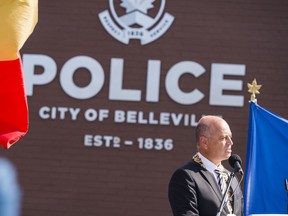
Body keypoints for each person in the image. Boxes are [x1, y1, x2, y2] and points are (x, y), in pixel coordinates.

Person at [168, 115, 243, 216]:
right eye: (224, 138)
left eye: (230, 137)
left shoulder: (232, 178)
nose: (230, 142)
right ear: (204, 142)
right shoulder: (186, 177)